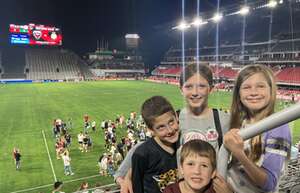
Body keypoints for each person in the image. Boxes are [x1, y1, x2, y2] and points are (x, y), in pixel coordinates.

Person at [115, 64, 232, 193]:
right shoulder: (174, 120)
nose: (195, 92)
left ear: (211, 89)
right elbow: (147, 147)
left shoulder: (224, 120)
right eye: (189, 86)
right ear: (181, 89)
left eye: (201, 86)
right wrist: (125, 178)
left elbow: (238, 161)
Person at [224, 64, 291, 193]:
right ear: (238, 94)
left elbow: (270, 183)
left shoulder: (278, 126)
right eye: (246, 87)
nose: (254, 92)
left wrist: (239, 153)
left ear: (271, 90)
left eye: (260, 86)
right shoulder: (241, 121)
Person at [131, 96, 180, 193]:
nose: (170, 130)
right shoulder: (142, 155)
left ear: (176, 117)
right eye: (161, 127)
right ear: (150, 130)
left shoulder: (185, 143)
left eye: (171, 122)